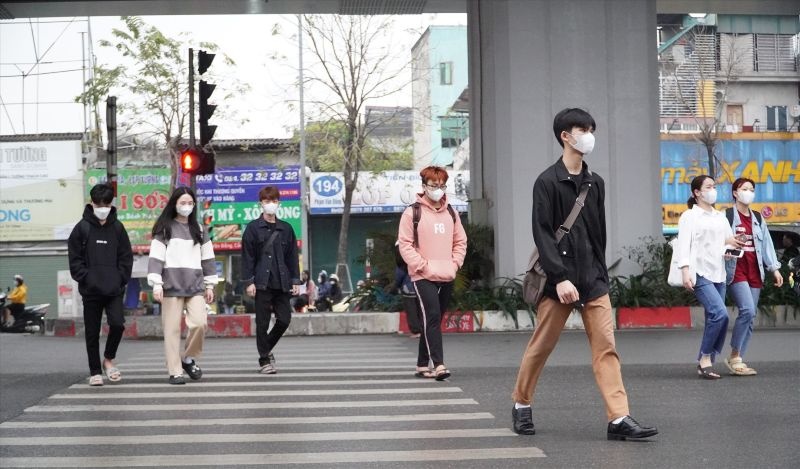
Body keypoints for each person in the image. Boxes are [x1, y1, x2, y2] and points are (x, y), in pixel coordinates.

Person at [510, 108, 657, 441]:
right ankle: (521, 404)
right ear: (566, 135)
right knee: (541, 347)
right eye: (583, 129)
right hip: (558, 282)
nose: (589, 135)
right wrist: (559, 277)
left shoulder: (595, 182)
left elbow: (597, 233)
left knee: (606, 349)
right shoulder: (547, 182)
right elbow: (543, 233)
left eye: (591, 129)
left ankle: (619, 418)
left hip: (593, 280)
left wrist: (601, 275)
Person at [398, 165, 467, 381]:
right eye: (433, 185)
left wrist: (455, 264)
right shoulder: (412, 213)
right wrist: (422, 266)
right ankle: (438, 365)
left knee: (432, 319)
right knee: (433, 316)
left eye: (441, 185)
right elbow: (405, 245)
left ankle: (421, 364)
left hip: (447, 273)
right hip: (422, 274)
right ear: (424, 186)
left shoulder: (451, 212)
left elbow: (460, 241)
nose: (438, 189)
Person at [676, 174, 744, 381]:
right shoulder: (689, 216)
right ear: (697, 192)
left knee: (715, 318)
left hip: (718, 272)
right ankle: (704, 359)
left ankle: (709, 359)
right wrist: (685, 271)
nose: (712, 190)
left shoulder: (719, 216)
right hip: (700, 272)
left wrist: (734, 243)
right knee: (720, 314)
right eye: (708, 186)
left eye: (714, 186)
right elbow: (683, 245)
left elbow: (726, 240)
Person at [147, 187, 217, 385]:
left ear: (194, 206)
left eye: (190, 203)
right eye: (182, 203)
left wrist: (210, 285)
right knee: (171, 330)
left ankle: (188, 358)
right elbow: (156, 258)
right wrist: (156, 284)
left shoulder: (200, 229)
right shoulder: (164, 228)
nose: (186, 206)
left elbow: (208, 259)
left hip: (195, 285)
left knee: (200, 323)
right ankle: (175, 371)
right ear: (174, 204)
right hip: (170, 286)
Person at [67, 183, 133, 386]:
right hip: (91, 290)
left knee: (117, 325)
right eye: (98, 204)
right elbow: (74, 259)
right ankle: (95, 371)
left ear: (112, 203)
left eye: (106, 203)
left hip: (114, 289)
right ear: (92, 203)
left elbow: (126, 257)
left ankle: (108, 359)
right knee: (92, 331)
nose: (102, 207)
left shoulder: (118, 228)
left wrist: (120, 278)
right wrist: (86, 277)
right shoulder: (82, 228)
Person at [724, 178, 783, 376]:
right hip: (736, 269)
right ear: (735, 193)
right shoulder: (727, 215)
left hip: (755, 270)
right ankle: (735, 356)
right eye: (744, 189)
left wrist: (774, 269)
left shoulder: (757, 217)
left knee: (750, 317)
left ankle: (737, 358)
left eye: (751, 189)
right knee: (747, 310)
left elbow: (766, 244)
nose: (748, 192)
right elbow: (717, 240)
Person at [241, 185, 301, 374]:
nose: (271, 204)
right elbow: (247, 258)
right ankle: (264, 360)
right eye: (267, 201)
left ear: (279, 203)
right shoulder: (252, 229)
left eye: (274, 201)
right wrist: (249, 282)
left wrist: (295, 281)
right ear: (261, 204)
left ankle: (265, 349)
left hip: (282, 283)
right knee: (262, 322)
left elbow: (292, 257)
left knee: (284, 319)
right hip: (262, 283)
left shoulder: (286, 229)